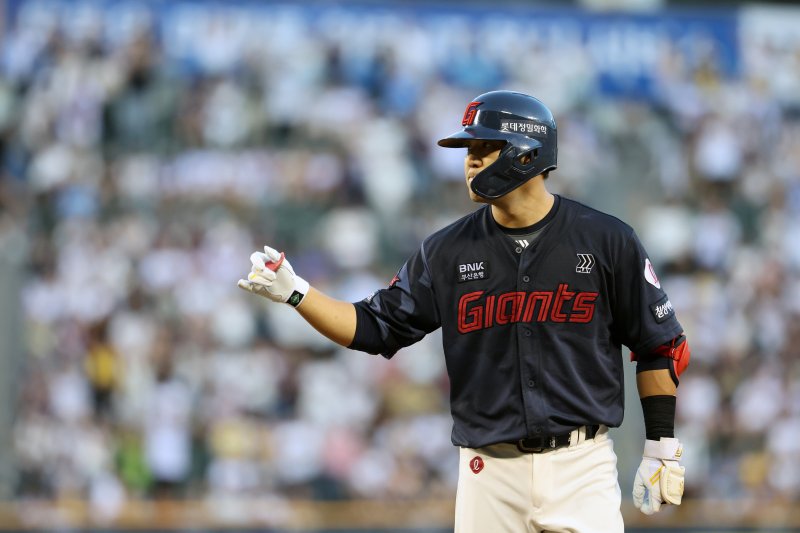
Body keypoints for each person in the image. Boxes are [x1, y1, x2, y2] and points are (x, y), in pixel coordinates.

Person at [238, 90, 689, 532]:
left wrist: (660, 445)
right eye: (469, 148)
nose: (470, 160)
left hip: (582, 464)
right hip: (488, 472)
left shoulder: (606, 239)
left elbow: (660, 344)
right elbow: (375, 327)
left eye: (485, 147)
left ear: (528, 154)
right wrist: (297, 293)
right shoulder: (446, 251)